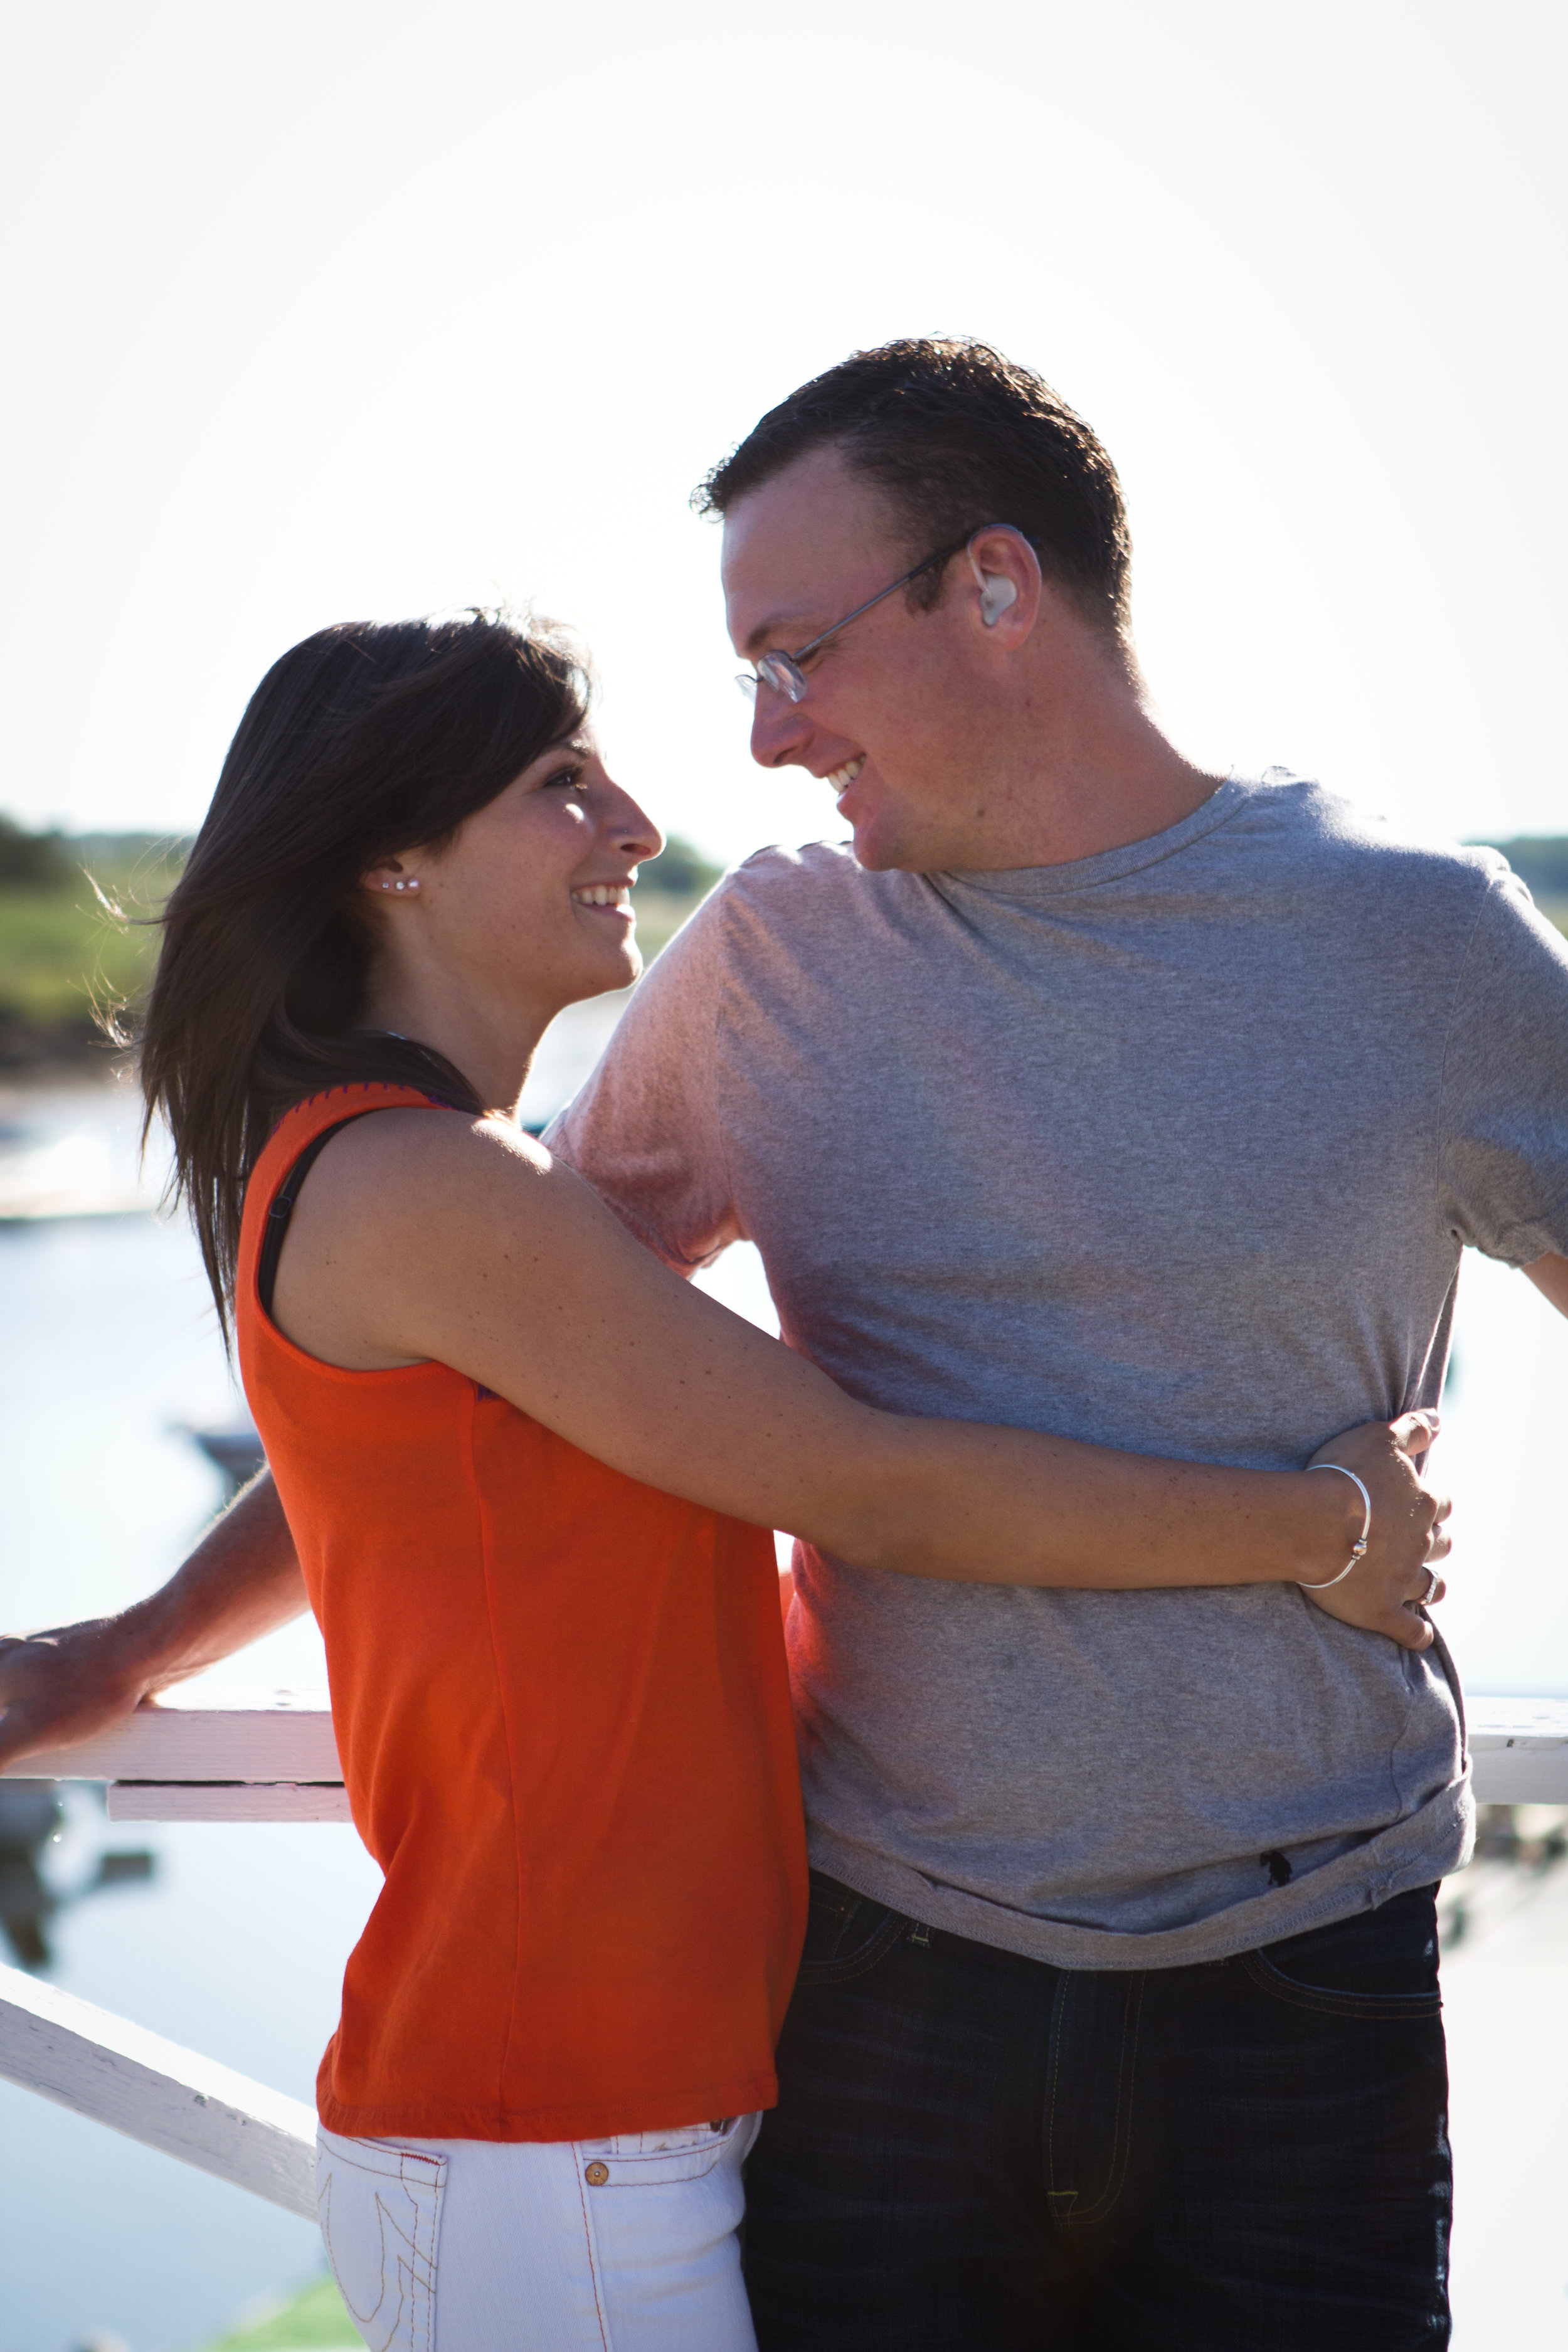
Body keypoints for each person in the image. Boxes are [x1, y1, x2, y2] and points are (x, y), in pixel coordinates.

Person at [4, 335, 1559, 2343]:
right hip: (883, 1993)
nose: (754, 743)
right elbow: (501, 1382)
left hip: (1308, 1988)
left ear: (994, 585)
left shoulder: (1422, 946)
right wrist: (143, 1651)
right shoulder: (768, 964)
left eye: (793, 653)